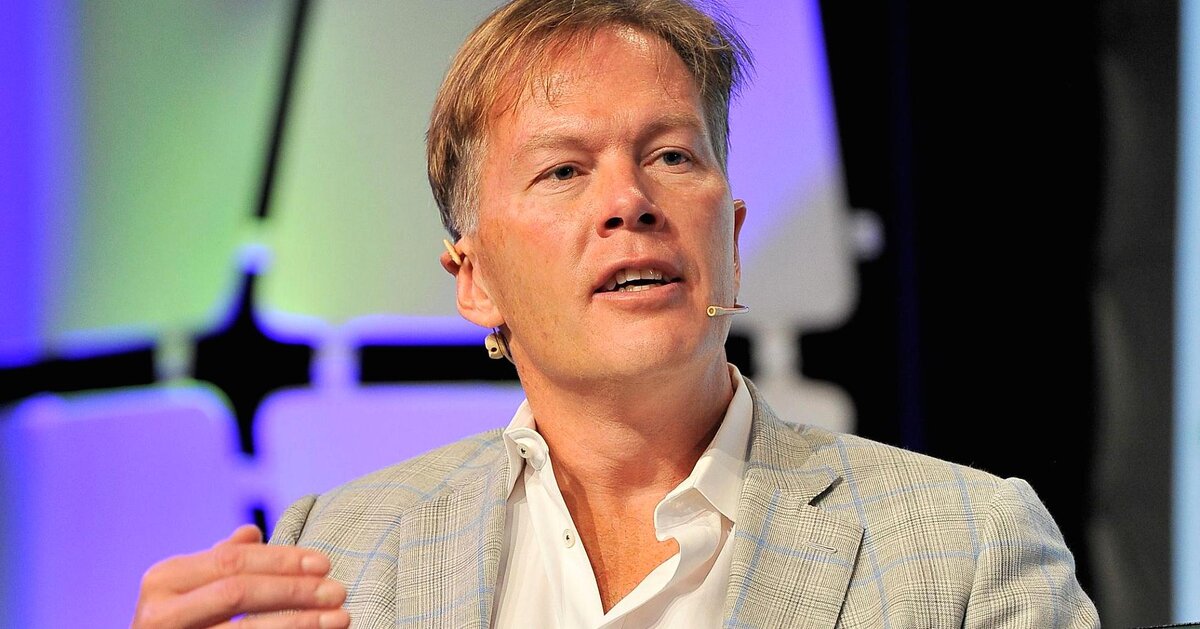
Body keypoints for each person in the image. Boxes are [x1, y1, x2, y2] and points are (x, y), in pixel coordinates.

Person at [132, 0, 1101, 626]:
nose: (629, 201)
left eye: (672, 156)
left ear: (731, 235)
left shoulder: (967, 548)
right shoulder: (339, 554)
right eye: (564, 170)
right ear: (475, 279)